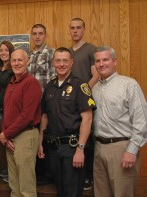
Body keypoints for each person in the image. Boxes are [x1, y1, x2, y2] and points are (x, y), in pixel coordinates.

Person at [39, 47, 96, 197]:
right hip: (53, 148)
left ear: (71, 62)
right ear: (53, 62)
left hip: (73, 148)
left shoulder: (80, 86)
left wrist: (80, 149)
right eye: (58, 60)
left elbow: (87, 118)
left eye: (65, 60)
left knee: (72, 192)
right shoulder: (49, 86)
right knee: (60, 190)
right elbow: (45, 116)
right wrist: (40, 142)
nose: (61, 64)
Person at [92, 46, 147, 197]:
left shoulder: (129, 84)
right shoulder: (95, 89)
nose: (101, 64)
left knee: (122, 194)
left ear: (115, 61)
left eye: (105, 59)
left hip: (121, 149)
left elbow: (141, 120)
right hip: (98, 148)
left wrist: (132, 150)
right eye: (97, 61)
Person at [0, 49, 41, 196]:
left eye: (20, 60)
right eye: (14, 60)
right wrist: (6, 135)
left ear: (27, 61)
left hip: (25, 135)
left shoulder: (31, 83)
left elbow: (27, 116)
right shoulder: (11, 83)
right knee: (15, 187)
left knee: (26, 188)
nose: (16, 63)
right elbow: (7, 111)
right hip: (11, 137)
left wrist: (5, 134)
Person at [69, 18, 99, 190]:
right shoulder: (68, 51)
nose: (75, 31)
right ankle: (78, 174)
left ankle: (88, 176)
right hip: (70, 99)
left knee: (88, 135)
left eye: (78, 28)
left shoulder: (90, 49)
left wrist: (84, 91)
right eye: (72, 28)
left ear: (84, 29)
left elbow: (95, 75)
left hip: (84, 97)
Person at [28, 23, 56, 186]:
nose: (37, 36)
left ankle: (48, 174)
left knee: (46, 137)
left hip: (46, 103)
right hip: (32, 106)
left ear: (45, 36)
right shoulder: (29, 55)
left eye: (40, 33)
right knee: (34, 138)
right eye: (34, 34)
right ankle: (38, 173)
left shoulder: (51, 53)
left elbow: (54, 79)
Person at [0, 40, 15, 182]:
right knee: (2, 140)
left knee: (9, 139)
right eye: (1, 50)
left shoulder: (13, 68)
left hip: (9, 110)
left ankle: (12, 171)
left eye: (6, 50)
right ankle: (6, 169)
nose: (3, 53)